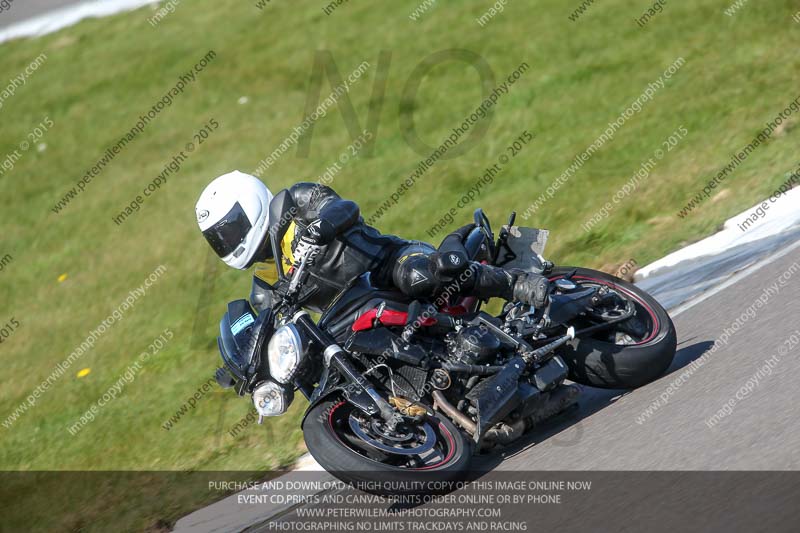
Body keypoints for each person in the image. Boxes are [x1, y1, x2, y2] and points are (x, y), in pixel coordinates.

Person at [195, 170, 550, 314]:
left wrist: (321, 228)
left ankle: (519, 285)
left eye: (229, 230)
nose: (227, 243)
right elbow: (270, 327)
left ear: (250, 205)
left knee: (419, 277)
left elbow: (344, 208)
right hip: (356, 316)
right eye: (218, 239)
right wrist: (246, 366)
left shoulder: (298, 202)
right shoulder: (265, 285)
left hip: (388, 266)